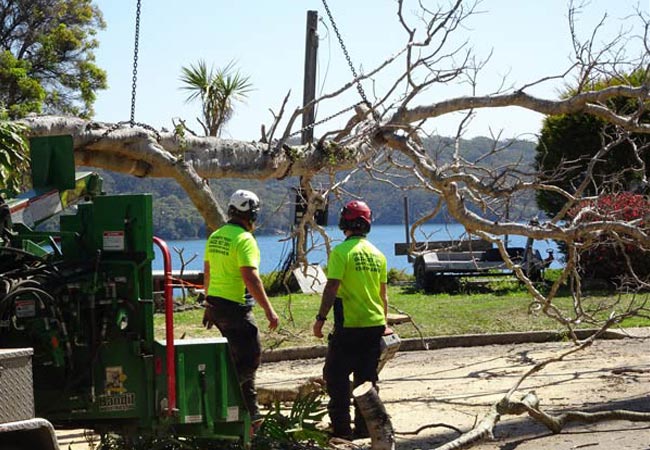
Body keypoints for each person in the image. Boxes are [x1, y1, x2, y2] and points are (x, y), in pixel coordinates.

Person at [312, 200, 391, 440]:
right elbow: (383, 295)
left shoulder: (341, 252)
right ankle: (366, 430)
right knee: (366, 381)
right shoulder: (378, 254)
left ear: (345, 222)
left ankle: (342, 432)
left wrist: (320, 318)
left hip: (349, 325)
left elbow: (332, 287)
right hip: (375, 325)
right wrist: (385, 324)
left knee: (335, 378)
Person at [202, 189, 279, 420]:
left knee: (235, 357)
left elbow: (208, 273)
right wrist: (269, 310)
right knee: (250, 358)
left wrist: (208, 304)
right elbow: (251, 278)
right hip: (235, 308)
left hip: (216, 306)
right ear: (252, 215)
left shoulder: (216, 236)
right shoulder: (245, 240)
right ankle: (222, 396)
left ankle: (249, 413)